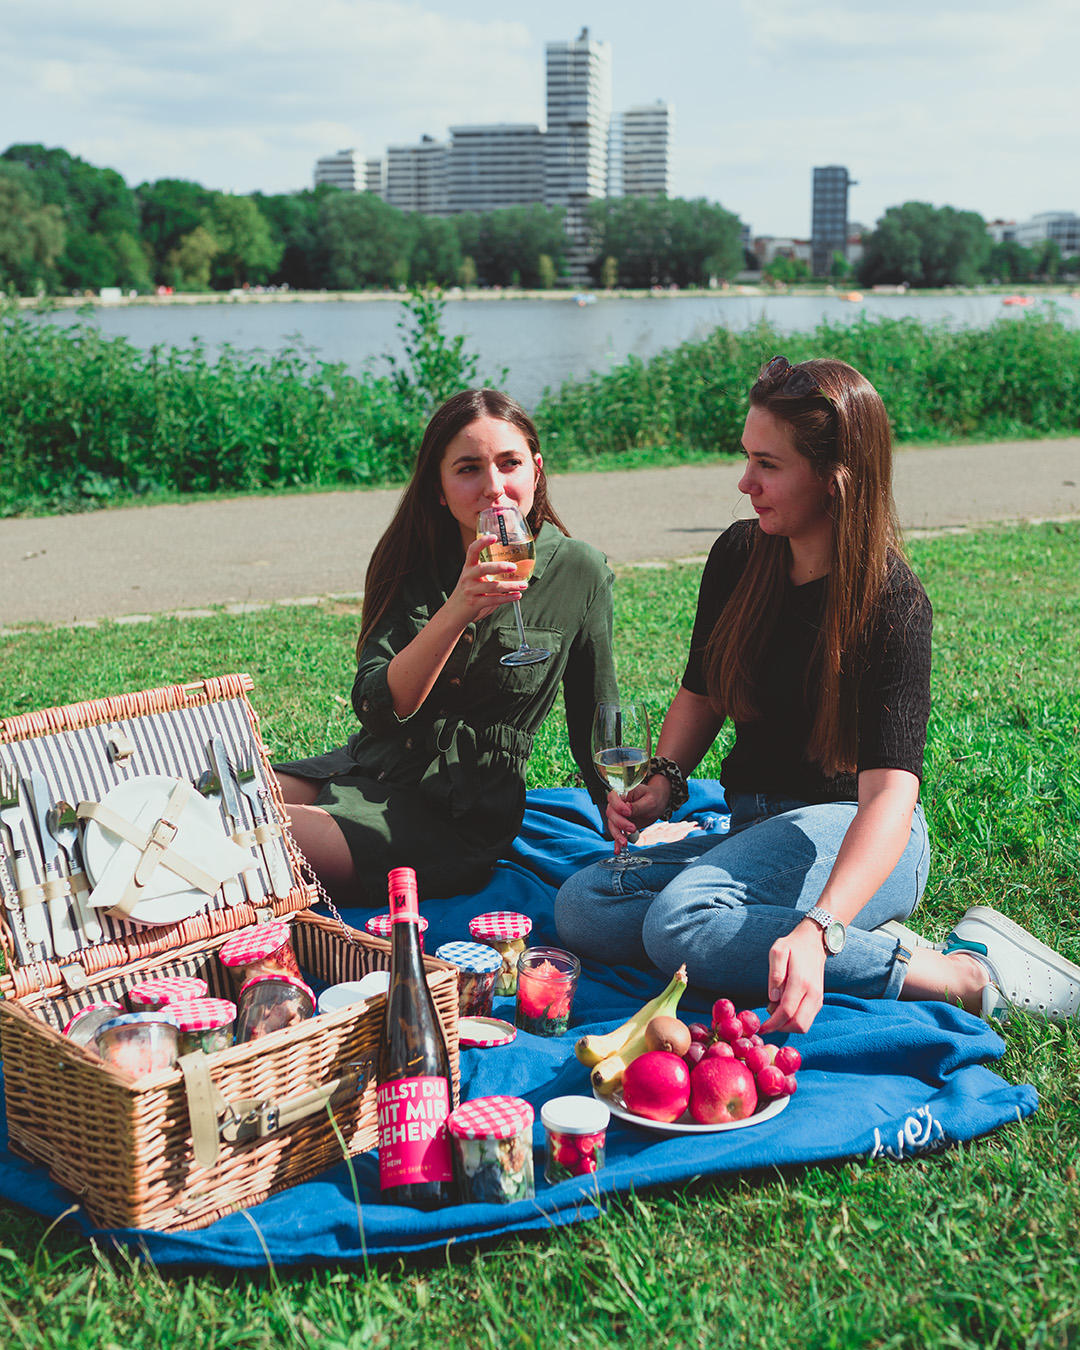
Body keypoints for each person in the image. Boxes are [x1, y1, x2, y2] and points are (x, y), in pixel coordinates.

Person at [555, 356, 1080, 1032]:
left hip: (859, 837)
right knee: (585, 906)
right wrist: (663, 778)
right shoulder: (741, 557)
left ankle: (958, 973)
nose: (745, 483)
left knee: (679, 925)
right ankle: (820, 937)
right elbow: (702, 693)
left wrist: (821, 931)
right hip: (756, 828)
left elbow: (891, 798)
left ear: (834, 483)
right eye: (747, 459)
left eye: (768, 466)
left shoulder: (892, 603)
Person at [276, 388, 617, 904]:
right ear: (438, 487)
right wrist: (458, 607)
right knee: (212, 802)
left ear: (537, 470)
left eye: (509, 463)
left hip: (457, 809)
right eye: (468, 469)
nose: (494, 487)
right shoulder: (409, 562)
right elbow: (377, 707)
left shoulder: (579, 571)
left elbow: (596, 715)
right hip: (371, 764)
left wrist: (614, 801)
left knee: (253, 841)